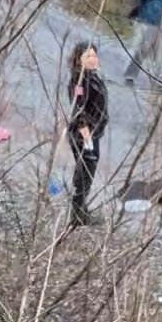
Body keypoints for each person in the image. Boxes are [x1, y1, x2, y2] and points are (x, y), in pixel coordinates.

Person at [67, 41, 108, 227]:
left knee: (88, 174)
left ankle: (81, 210)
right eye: (88, 56)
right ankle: (77, 215)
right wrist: (87, 137)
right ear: (79, 59)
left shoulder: (92, 77)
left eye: (94, 55)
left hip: (94, 133)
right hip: (84, 135)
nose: (93, 59)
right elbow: (78, 110)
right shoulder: (79, 81)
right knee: (84, 173)